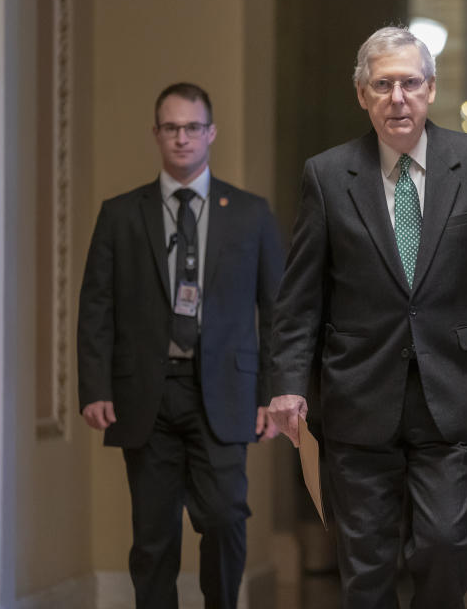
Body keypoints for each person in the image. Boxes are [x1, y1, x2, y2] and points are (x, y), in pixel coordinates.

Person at [267, 26, 467, 608]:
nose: (398, 98)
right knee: (366, 570)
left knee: (445, 545)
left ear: (431, 89)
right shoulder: (328, 174)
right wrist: (288, 385)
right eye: (383, 85)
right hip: (358, 395)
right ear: (362, 95)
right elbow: (300, 295)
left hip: (453, 390)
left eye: (410, 83)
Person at [77, 82, 284, 609]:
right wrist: (95, 387)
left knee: (224, 517)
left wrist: (274, 393)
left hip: (225, 392)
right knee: (153, 535)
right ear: (156, 134)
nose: (182, 138)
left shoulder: (250, 214)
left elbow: (278, 311)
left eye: (192, 127)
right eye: (171, 128)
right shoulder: (121, 215)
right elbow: (97, 307)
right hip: (147, 393)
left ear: (211, 133)